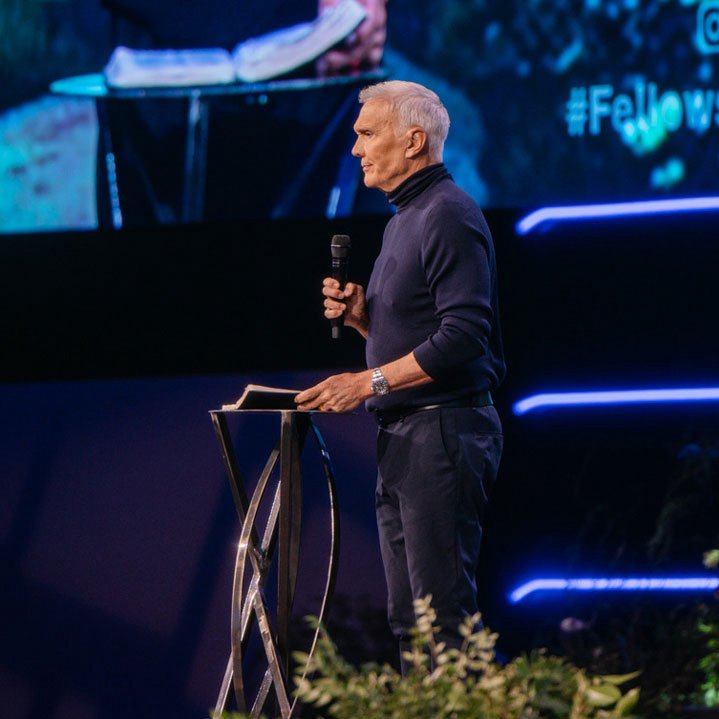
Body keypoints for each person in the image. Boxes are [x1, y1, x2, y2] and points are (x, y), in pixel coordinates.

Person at [295, 80, 506, 670]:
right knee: (411, 621)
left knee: (441, 620)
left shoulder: (448, 214)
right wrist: (364, 321)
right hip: (408, 434)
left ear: (413, 142)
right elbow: (422, 336)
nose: (356, 148)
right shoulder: (403, 220)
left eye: (367, 134)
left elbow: (464, 337)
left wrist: (367, 383)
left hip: (443, 432)